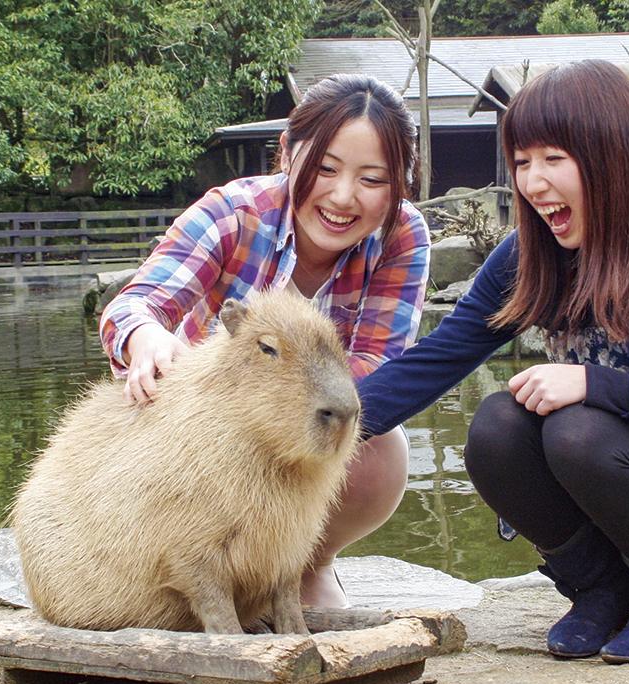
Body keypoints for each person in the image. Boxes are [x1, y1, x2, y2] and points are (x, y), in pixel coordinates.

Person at [356, 60, 629, 663]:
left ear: (613, 155)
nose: (533, 182)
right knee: (496, 426)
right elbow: (436, 359)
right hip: (614, 469)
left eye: (553, 159)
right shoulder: (531, 255)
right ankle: (600, 589)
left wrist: (594, 382)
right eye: (522, 162)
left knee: (576, 431)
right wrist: (313, 430)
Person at [100, 74, 430, 608]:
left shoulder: (402, 234)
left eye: (373, 179)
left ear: (399, 183)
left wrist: (290, 405)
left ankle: (304, 563)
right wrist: (146, 337)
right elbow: (135, 305)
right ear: (288, 153)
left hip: (307, 430)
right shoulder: (232, 212)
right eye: (325, 168)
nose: (343, 197)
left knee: (381, 445)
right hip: (203, 436)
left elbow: (380, 361)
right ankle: (191, 569)